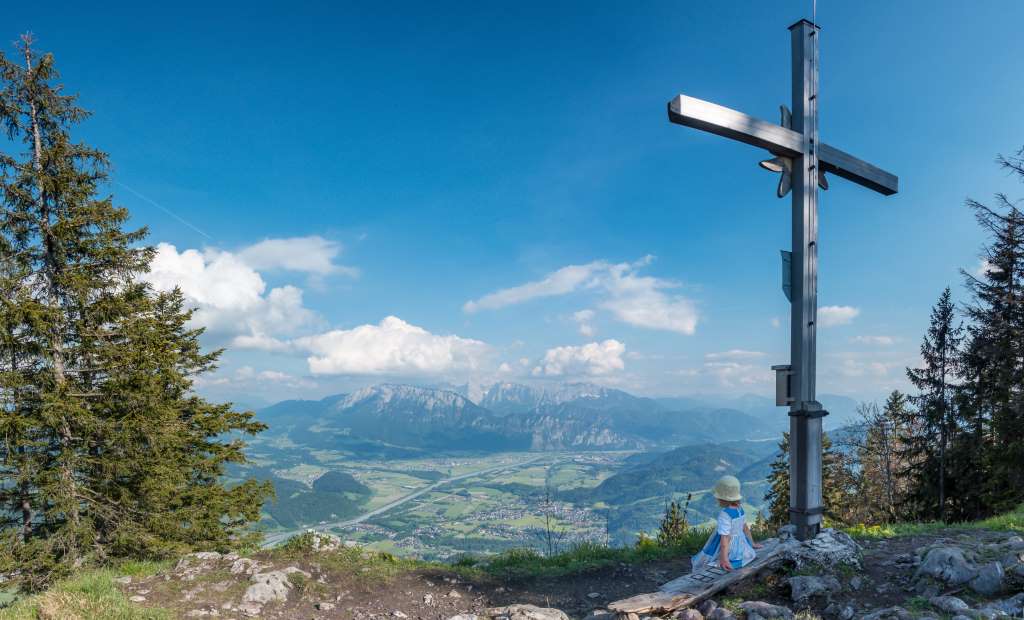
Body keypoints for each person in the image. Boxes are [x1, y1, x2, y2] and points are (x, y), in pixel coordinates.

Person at [690, 475, 763, 573]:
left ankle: (726, 559)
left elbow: (725, 538)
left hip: (729, 548)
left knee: (708, 559)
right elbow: (745, 528)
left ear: (722, 498)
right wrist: (752, 543)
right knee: (743, 555)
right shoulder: (740, 509)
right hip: (741, 546)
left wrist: (724, 559)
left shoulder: (725, 514)